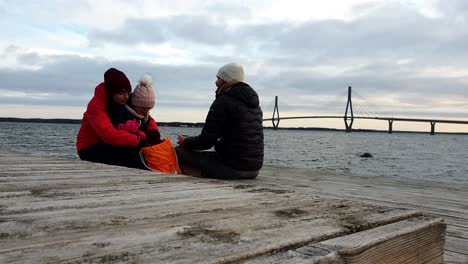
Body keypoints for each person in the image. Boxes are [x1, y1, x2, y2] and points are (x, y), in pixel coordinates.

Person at [176, 62, 264, 179]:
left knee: (179, 151)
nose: (216, 82)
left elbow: (206, 142)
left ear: (227, 80)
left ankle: (194, 177)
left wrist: (185, 142)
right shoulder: (255, 105)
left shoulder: (223, 101)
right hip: (254, 170)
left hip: (232, 168)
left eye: (219, 78)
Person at [76, 68, 148, 169]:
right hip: (89, 148)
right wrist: (138, 141)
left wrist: (153, 132)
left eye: (128, 92)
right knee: (133, 157)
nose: (126, 97)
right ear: (111, 92)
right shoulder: (96, 105)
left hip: (107, 145)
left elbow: (145, 115)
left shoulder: (120, 101)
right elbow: (108, 134)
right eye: (121, 93)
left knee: (139, 154)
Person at [113, 74, 162, 147]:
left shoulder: (145, 117)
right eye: (143, 108)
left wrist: (152, 135)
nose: (146, 111)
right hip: (125, 145)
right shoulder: (123, 112)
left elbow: (149, 129)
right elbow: (117, 126)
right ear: (134, 104)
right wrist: (128, 129)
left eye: (149, 108)